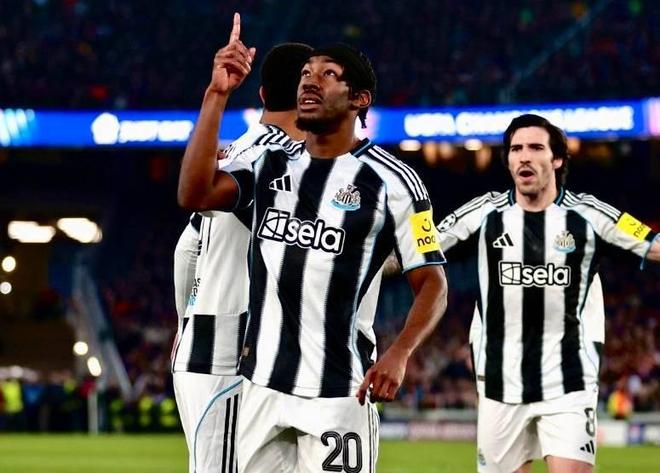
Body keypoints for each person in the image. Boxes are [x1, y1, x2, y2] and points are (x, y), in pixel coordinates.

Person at [177, 15, 448, 473]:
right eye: (306, 73)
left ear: (359, 99)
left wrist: (400, 352)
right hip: (261, 387)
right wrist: (216, 95)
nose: (310, 81)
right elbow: (194, 194)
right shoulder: (268, 165)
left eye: (327, 74)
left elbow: (433, 283)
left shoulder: (394, 182)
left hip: (339, 391)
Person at [436, 113, 660, 473]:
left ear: (557, 159)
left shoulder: (589, 215)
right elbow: (417, 248)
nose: (524, 156)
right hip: (499, 385)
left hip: (568, 381)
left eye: (536, 147)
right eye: (516, 149)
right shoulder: (483, 212)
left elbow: (652, 244)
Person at [172, 18, 312, 472]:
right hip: (230, 356)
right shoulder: (279, 159)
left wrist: (185, 323)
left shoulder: (239, 151)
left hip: (211, 346)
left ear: (263, 94)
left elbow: (187, 249)